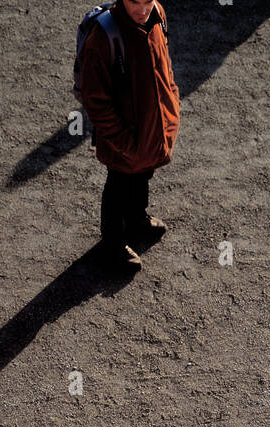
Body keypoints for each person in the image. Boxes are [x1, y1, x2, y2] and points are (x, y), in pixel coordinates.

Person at [76, 0, 180, 272]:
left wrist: (172, 108)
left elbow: (164, 66)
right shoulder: (103, 36)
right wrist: (121, 142)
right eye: (135, 2)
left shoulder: (157, 14)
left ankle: (136, 219)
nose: (143, 10)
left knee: (145, 172)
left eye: (147, 1)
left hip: (151, 128)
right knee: (118, 185)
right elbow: (95, 99)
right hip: (122, 138)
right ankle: (112, 245)